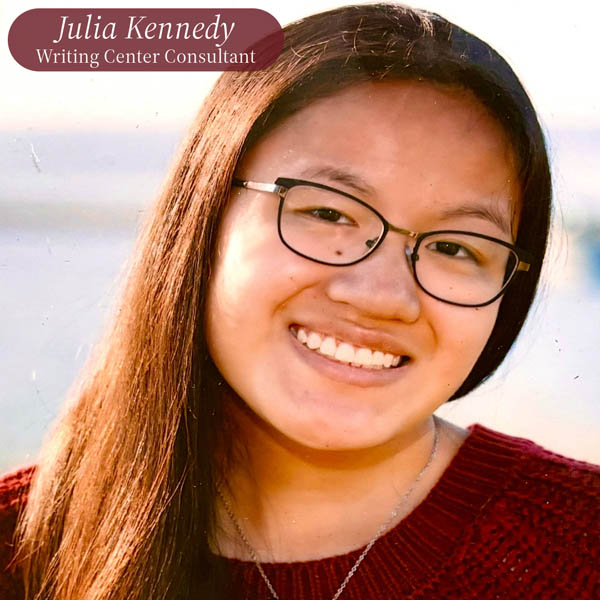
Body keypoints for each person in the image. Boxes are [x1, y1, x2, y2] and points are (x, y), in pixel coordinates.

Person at [1, 3, 598, 599]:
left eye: (455, 247)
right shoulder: (20, 547)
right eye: (328, 212)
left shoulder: (581, 545)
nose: (381, 295)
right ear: (202, 218)